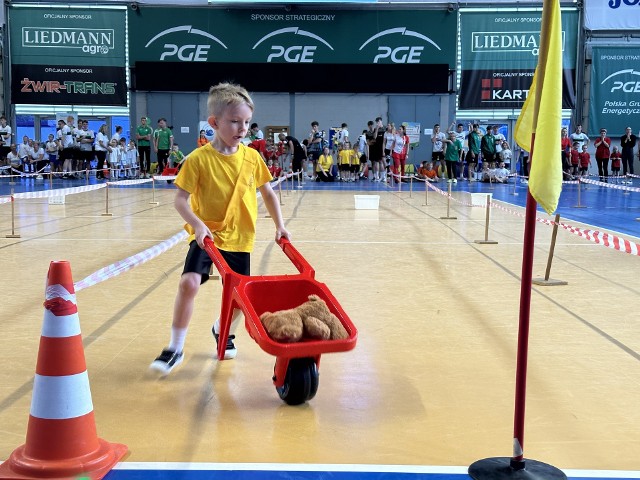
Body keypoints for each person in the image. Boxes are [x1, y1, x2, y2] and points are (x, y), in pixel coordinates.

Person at [150, 82, 290, 375]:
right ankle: (175, 347)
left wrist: (280, 226)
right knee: (189, 283)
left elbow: (268, 193)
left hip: (240, 238)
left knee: (240, 299)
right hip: (207, 237)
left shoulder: (252, 157)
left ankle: (222, 329)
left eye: (247, 123)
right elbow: (180, 201)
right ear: (214, 123)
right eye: (235, 121)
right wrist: (198, 226)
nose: (242, 128)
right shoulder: (198, 160)